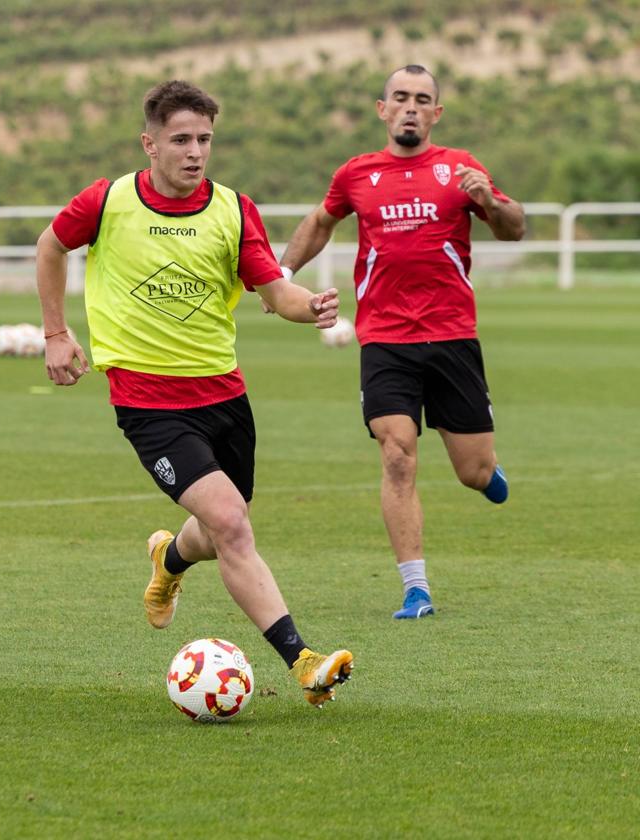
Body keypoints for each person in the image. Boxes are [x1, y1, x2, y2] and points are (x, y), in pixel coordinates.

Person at [37, 80, 354, 708]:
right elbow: (51, 246)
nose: (195, 151)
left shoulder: (234, 209)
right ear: (149, 143)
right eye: (181, 139)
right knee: (232, 523)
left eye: (204, 139)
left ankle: (168, 560)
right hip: (148, 403)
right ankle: (304, 663)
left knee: (219, 531)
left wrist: (307, 306)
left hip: (224, 396)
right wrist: (55, 332)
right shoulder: (108, 201)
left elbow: (273, 290)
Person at [280, 65, 525, 619]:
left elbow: (514, 227)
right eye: (400, 98)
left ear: (436, 113)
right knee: (397, 455)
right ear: (382, 109)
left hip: (451, 336)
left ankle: (485, 473)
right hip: (385, 340)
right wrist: (282, 270)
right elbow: (322, 221)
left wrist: (490, 200)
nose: (410, 107)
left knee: (473, 471)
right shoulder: (357, 174)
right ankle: (416, 588)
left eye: (422, 99)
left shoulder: (462, 168)